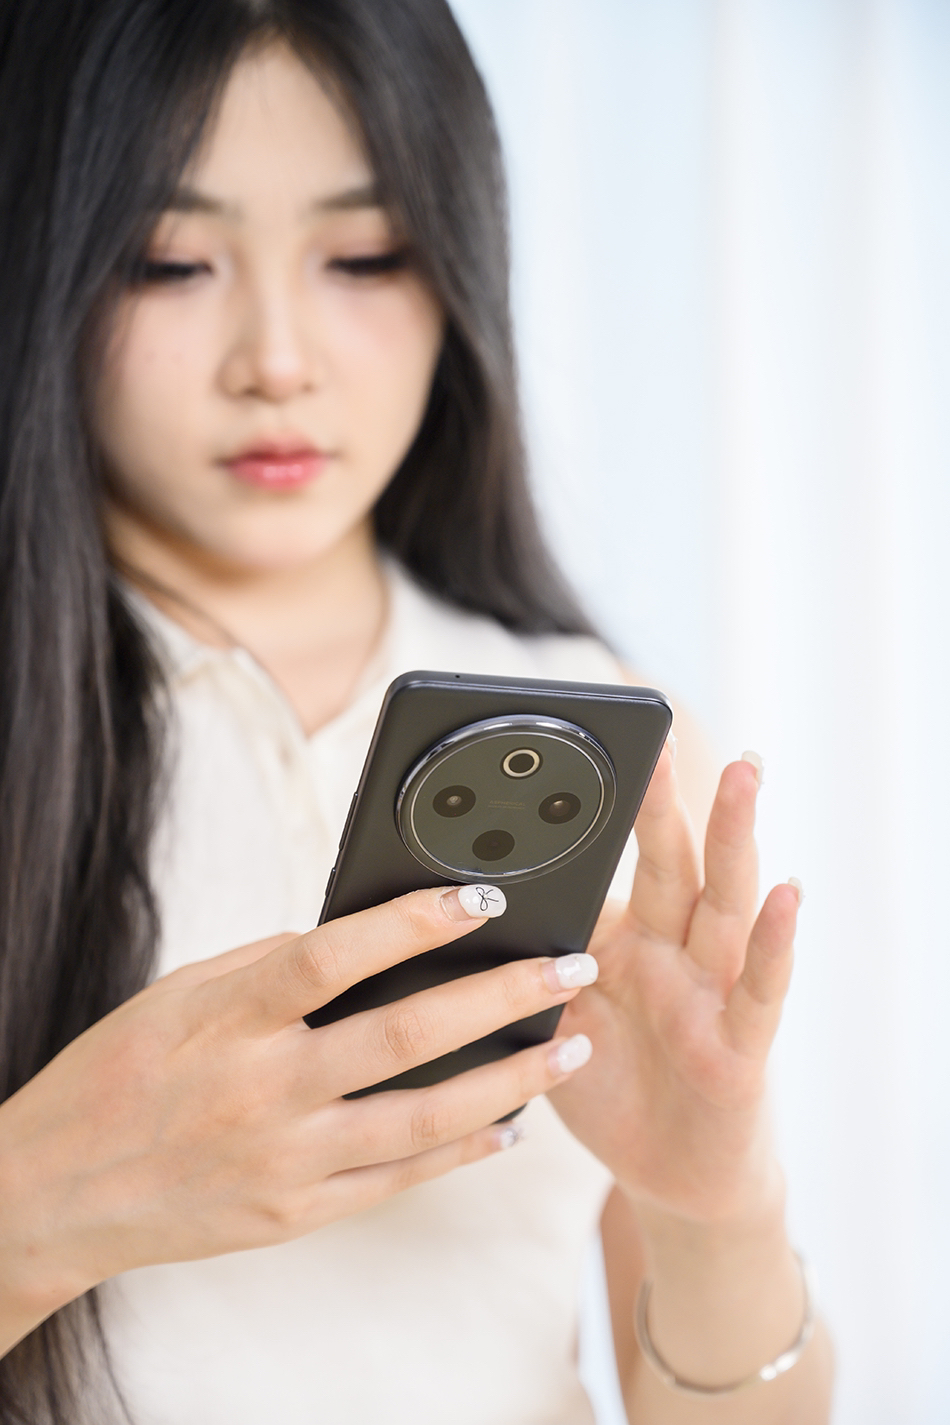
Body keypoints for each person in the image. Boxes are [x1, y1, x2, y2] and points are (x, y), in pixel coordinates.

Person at [0, 1, 834, 1421]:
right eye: (170, 260)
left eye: (365, 255)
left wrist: (716, 1207)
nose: (278, 360)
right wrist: (49, 1197)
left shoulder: (611, 736)